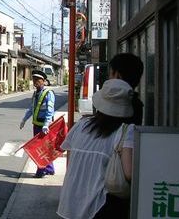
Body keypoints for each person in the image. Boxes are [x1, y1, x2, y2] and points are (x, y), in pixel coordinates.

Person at [57, 79, 135, 219]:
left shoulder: (82, 125)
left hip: (71, 200)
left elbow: (70, 158)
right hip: (101, 205)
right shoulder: (125, 132)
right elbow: (129, 173)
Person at [19, 69, 56, 178]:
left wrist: (46, 124)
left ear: (43, 81)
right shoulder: (36, 93)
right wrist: (24, 119)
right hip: (36, 125)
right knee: (44, 148)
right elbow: (31, 108)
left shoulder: (48, 93)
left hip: (44, 126)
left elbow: (50, 110)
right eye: (34, 79)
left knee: (40, 149)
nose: (35, 82)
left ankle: (41, 171)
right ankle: (50, 169)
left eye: (38, 80)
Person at [108, 53, 144, 125]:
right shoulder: (137, 106)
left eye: (110, 74)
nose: (109, 78)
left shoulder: (110, 103)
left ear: (118, 75)